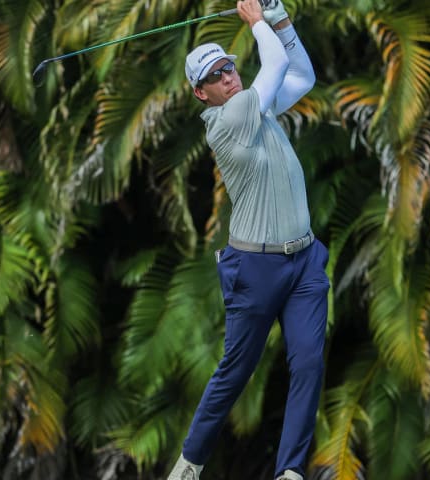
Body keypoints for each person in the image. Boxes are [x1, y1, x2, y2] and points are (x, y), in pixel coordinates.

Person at [168, 1, 329, 479]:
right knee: (234, 372)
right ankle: (189, 464)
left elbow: (301, 75)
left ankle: (291, 473)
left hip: (302, 262)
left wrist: (278, 17)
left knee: (309, 363)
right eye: (216, 76)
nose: (229, 77)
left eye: (230, 68)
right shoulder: (229, 120)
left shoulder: (256, 106)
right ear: (202, 94)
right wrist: (258, 20)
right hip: (255, 271)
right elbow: (276, 64)